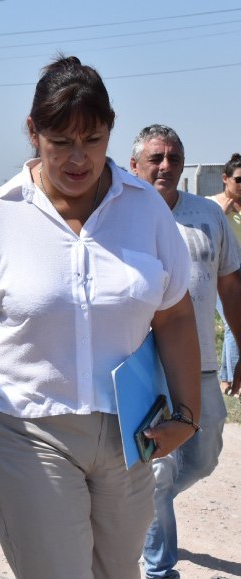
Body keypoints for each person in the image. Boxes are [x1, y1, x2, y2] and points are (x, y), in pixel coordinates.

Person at [0, 55, 201, 579]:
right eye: (61, 143)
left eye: (93, 140)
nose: (79, 159)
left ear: (110, 133)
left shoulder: (145, 209)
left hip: (130, 434)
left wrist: (187, 415)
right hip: (27, 428)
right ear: (33, 132)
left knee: (117, 572)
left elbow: (175, 317)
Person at [130, 125, 241, 579]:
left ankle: (140, 510)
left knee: (205, 455)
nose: (166, 166)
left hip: (201, 366)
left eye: (174, 158)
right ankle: (160, 569)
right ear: (135, 165)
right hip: (143, 366)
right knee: (157, 471)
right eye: (156, 158)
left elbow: (230, 284)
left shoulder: (208, 216)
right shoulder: (121, 214)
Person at [207, 153, 241, 398]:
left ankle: (228, 378)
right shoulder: (212, 206)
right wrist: (224, 211)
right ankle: (229, 380)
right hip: (221, 272)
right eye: (238, 180)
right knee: (233, 324)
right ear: (225, 178)